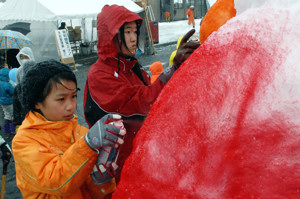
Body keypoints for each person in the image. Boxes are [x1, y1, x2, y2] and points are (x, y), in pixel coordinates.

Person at [83, 5, 199, 184]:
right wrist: (173, 68)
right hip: (115, 167)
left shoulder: (131, 66)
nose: (133, 38)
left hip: (140, 158)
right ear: (110, 35)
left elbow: (159, 98)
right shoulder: (99, 74)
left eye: (135, 31)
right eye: (127, 32)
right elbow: (140, 102)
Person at [12, 60, 126, 198]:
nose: (70, 106)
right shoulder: (24, 141)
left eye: (73, 96)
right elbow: (56, 182)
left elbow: (91, 190)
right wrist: (87, 145)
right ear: (37, 102)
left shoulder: (80, 132)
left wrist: (102, 182)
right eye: (61, 99)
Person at [0, 66, 15, 134]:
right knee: (12, 115)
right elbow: (12, 92)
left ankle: (6, 130)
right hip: (9, 102)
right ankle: (13, 130)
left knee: (7, 115)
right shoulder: (7, 84)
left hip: (2, 102)